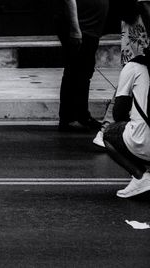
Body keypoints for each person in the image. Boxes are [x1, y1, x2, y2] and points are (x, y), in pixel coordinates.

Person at [94, 0, 150, 147]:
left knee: (134, 75)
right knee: (135, 73)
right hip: (140, 19)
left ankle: (107, 128)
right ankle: (106, 129)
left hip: (138, 17)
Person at [55, 0, 109, 131]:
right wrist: (75, 29)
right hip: (81, 28)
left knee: (84, 73)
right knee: (74, 72)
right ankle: (69, 119)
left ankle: (82, 116)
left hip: (90, 29)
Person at [103, 50, 150, 198]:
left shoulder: (134, 67)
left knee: (109, 133)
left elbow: (118, 113)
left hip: (142, 143)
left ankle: (141, 177)